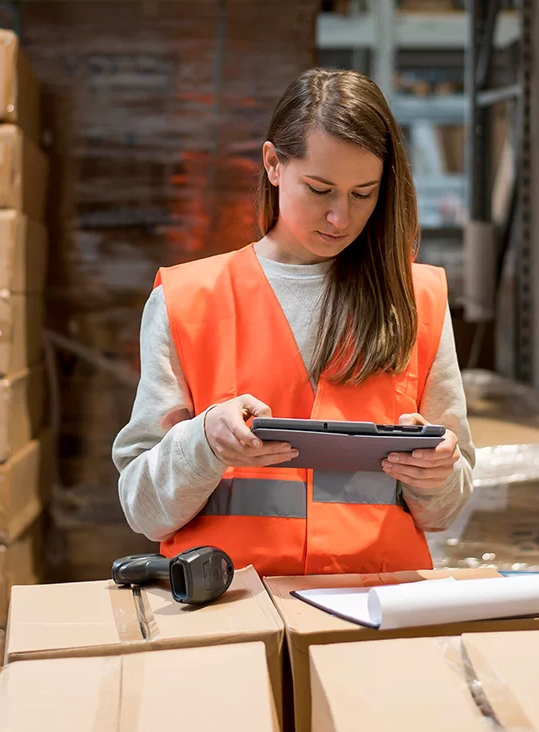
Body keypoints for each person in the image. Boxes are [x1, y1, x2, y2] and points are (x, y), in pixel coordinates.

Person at [113, 67, 474, 577]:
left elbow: (446, 510)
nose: (340, 219)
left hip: (375, 621)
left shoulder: (417, 300)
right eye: (320, 189)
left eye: (363, 193)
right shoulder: (188, 299)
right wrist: (205, 444)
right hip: (232, 617)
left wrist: (435, 474)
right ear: (273, 164)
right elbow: (143, 510)